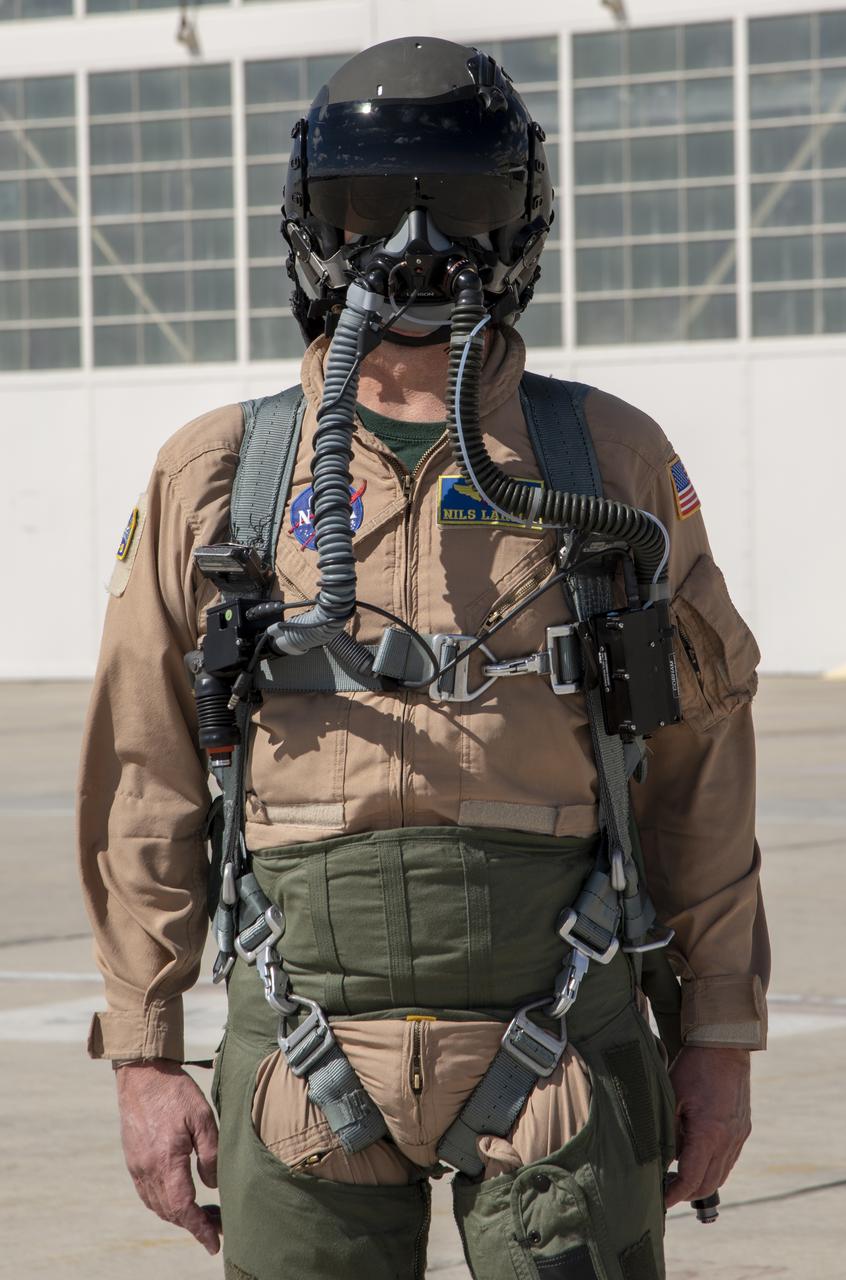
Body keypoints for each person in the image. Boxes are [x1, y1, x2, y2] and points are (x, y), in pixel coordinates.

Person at [77, 37, 768, 1280]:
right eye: (368, 208)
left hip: (563, 1036)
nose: (415, 247)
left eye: (460, 205)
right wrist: (143, 1050)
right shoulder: (222, 475)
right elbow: (146, 773)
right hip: (300, 1052)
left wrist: (718, 1030)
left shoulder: (605, 461)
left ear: (521, 221)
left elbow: (698, 762)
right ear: (312, 223)